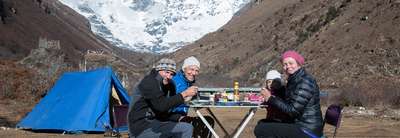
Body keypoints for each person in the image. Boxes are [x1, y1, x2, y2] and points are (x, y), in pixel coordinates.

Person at [254, 50, 324, 138]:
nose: (288, 66)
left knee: (261, 129)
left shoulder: (304, 82)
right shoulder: (295, 80)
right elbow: (288, 101)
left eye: (291, 63)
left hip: (307, 128)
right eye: (285, 64)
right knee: (263, 123)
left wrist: (270, 98)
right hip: (300, 124)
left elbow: (292, 110)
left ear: (298, 64)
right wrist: (275, 93)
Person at [127, 58, 197, 138]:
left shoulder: (163, 84)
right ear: (158, 70)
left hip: (153, 123)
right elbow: (161, 106)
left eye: (171, 74)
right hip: (140, 127)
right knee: (186, 129)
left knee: (186, 126)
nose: (169, 76)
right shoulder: (149, 82)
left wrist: (179, 118)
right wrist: (184, 94)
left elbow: (160, 112)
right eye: (166, 72)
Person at [171, 56, 215, 138]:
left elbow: (192, 97)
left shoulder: (187, 82)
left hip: (181, 115)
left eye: (196, 70)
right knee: (206, 122)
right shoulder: (176, 81)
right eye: (191, 69)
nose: (194, 73)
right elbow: (173, 101)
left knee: (208, 121)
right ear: (184, 69)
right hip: (173, 117)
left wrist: (210, 98)